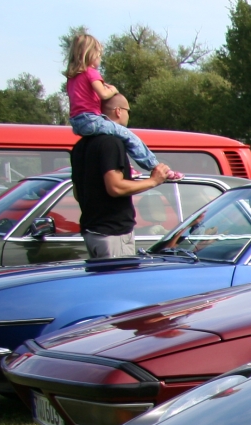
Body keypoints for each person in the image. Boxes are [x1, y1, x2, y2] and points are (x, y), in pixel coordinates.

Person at [71, 94, 172, 259]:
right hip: (113, 232)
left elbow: (77, 192)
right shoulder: (111, 142)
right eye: (128, 111)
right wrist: (154, 181)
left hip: (91, 231)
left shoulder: (80, 146)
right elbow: (115, 187)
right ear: (118, 111)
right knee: (119, 282)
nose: (128, 115)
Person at [64, 30, 162, 174]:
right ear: (90, 55)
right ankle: (154, 166)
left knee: (115, 136)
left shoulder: (72, 78)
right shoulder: (91, 72)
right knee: (127, 135)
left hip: (76, 122)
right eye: (99, 56)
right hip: (91, 119)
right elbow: (103, 94)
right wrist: (114, 90)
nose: (100, 60)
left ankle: (127, 166)